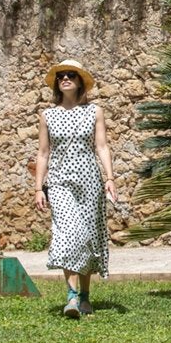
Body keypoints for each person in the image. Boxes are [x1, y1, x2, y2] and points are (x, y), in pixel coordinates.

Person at [32, 59, 121, 317]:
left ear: (80, 81)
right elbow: (43, 153)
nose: (65, 79)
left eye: (71, 75)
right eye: (61, 76)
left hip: (89, 181)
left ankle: (84, 297)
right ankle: (71, 297)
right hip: (59, 182)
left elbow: (102, 147)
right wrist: (39, 188)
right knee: (69, 234)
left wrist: (110, 178)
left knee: (89, 237)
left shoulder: (94, 112)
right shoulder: (47, 115)